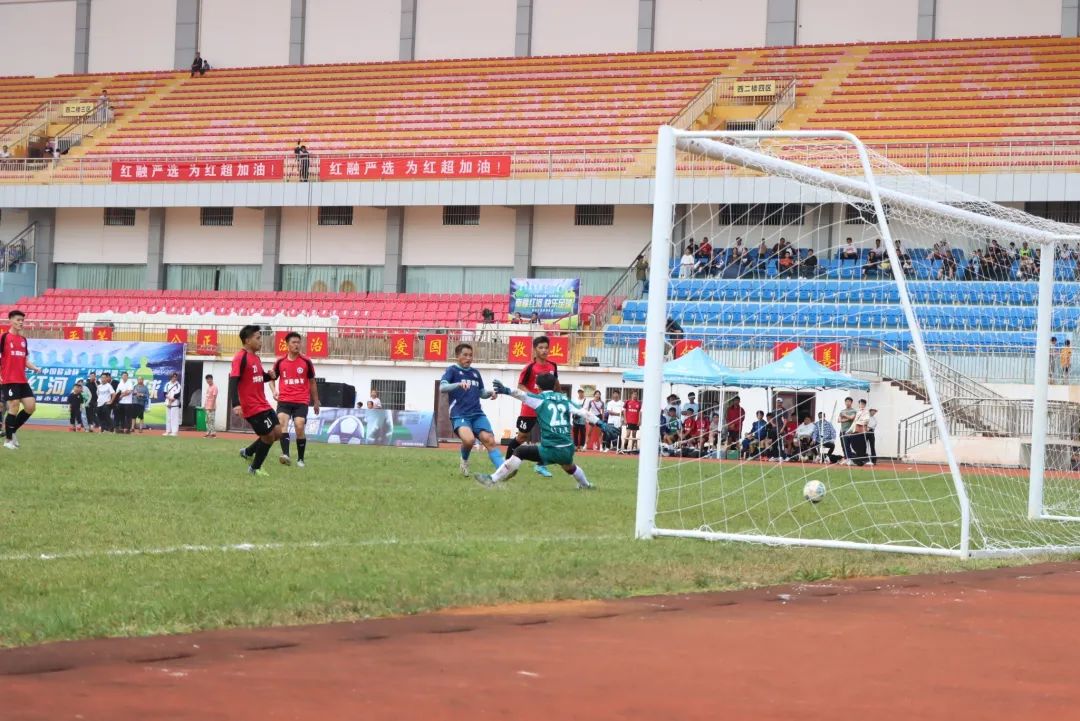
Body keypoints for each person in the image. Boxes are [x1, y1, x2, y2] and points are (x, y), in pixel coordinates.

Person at [475, 374, 617, 489]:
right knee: (569, 466)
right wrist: (601, 424)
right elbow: (584, 412)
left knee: (520, 451)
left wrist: (505, 390)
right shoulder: (564, 399)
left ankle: (492, 479)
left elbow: (521, 394)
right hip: (568, 448)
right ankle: (585, 485)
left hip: (550, 448)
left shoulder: (540, 399)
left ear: (537, 387)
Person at [439, 342, 504, 477]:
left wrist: (490, 393)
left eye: (471, 355)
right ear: (457, 356)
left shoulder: (475, 373)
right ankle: (464, 460)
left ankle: (503, 470)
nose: (469, 358)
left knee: (489, 440)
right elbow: (442, 388)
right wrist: (457, 384)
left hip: (477, 414)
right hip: (459, 413)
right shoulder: (452, 370)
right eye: (465, 355)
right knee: (469, 440)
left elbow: (481, 393)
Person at [233, 325, 283, 477]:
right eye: (258, 338)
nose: (261, 341)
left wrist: (271, 376)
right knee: (268, 436)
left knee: (278, 433)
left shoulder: (255, 357)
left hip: (263, 403)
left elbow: (259, 377)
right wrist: (236, 404)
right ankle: (254, 468)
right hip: (251, 406)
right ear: (247, 340)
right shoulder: (240, 357)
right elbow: (233, 380)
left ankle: (248, 452)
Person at [507, 335, 559, 476]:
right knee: (522, 438)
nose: (544, 350)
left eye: (546, 348)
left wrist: (558, 397)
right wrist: (533, 397)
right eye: (540, 348)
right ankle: (507, 464)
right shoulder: (530, 368)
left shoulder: (552, 366)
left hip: (545, 409)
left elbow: (556, 384)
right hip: (529, 409)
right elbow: (520, 385)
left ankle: (541, 465)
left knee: (551, 436)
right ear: (535, 350)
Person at [272, 332, 321, 468]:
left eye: (298, 342)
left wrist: (316, 401)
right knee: (282, 423)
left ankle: (300, 459)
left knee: (299, 427)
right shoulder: (280, 362)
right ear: (287, 345)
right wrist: (273, 390)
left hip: (301, 401)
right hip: (284, 400)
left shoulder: (306, 362)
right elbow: (272, 378)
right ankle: (286, 455)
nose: (297, 345)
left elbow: (312, 382)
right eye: (293, 342)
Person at [1, 310, 43, 450]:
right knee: (14, 406)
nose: (21, 322)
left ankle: (11, 431)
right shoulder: (4, 338)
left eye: (22, 320)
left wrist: (35, 368)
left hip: (22, 380)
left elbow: (25, 360)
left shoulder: (23, 340)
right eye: (18, 320)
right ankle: (8, 441)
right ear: (11, 320)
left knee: (31, 407)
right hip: (9, 379)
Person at [837, 396, 857, 465]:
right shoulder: (842, 411)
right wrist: (847, 419)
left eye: (849, 401)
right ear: (845, 402)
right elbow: (839, 420)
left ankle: (850, 459)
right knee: (843, 446)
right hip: (842, 430)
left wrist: (845, 416)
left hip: (849, 431)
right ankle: (846, 458)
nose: (847, 403)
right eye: (846, 401)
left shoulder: (853, 411)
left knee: (848, 445)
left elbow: (852, 418)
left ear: (851, 402)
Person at [163, 372, 182, 436]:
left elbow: (177, 395)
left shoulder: (178, 385)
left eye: (175, 377)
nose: (174, 378)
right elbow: (165, 393)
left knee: (174, 418)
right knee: (168, 418)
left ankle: (174, 432)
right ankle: (168, 431)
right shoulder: (167, 384)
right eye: (173, 377)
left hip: (175, 404)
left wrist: (171, 402)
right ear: (171, 377)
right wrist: (168, 401)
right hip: (168, 403)